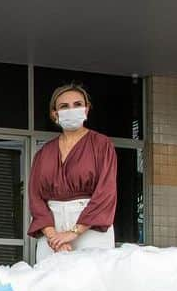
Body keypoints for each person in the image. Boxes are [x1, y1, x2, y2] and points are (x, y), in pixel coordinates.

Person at [28, 83, 117, 262]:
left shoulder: (101, 145)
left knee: (90, 283)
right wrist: (53, 235)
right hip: (51, 228)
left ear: (87, 109)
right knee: (50, 283)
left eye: (77, 104)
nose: (72, 109)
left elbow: (106, 192)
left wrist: (73, 232)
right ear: (55, 114)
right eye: (64, 106)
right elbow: (35, 197)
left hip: (90, 228)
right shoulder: (44, 152)